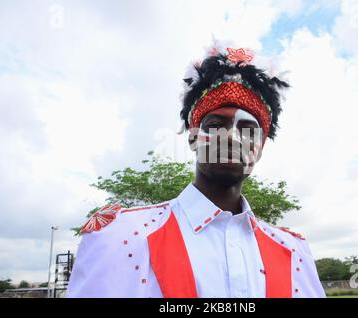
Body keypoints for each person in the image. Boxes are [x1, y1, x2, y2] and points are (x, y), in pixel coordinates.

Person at [66, 45, 325, 298]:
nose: (232, 137)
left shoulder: (294, 251)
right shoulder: (118, 237)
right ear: (193, 138)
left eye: (248, 129)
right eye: (215, 125)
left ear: (260, 148)